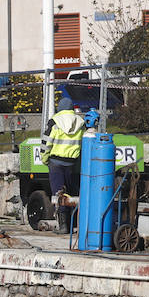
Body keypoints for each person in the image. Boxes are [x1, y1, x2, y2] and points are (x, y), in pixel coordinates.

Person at [44, 98, 86, 232]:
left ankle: (63, 226)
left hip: (55, 162)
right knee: (70, 193)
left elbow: (46, 142)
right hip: (71, 163)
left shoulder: (54, 122)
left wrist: (45, 159)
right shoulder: (80, 122)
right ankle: (73, 223)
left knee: (58, 193)